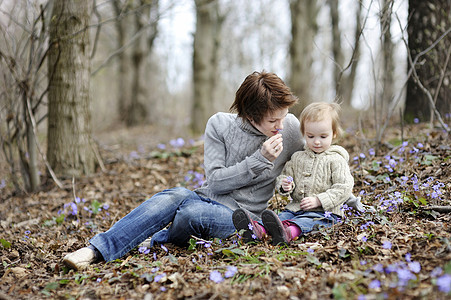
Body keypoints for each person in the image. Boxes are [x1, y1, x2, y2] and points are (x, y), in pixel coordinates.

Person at [63, 71, 304, 270]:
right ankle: (94, 250)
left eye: (283, 117)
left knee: (190, 215)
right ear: (251, 115)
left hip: (241, 217)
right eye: (273, 121)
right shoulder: (219, 125)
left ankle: (155, 235)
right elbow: (217, 182)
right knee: (176, 195)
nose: (280, 126)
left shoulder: (290, 128)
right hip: (206, 197)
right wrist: (260, 159)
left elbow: (316, 157)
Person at [233, 102, 354, 245]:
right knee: (282, 216)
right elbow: (285, 175)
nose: (316, 142)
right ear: (304, 134)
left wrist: (319, 200)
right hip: (296, 208)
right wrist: (285, 185)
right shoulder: (297, 158)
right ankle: (258, 229)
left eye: (323, 136)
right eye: (310, 136)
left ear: (333, 134)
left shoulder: (336, 159)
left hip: (325, 212)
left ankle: (289, 232)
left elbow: (344, 187)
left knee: (310, 221)